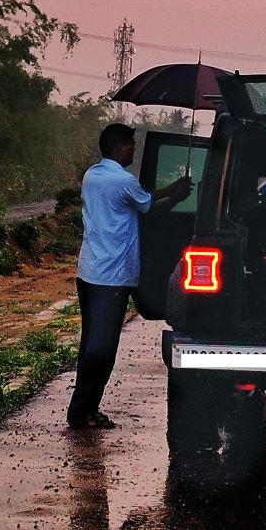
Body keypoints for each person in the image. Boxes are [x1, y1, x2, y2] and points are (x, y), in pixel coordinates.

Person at [66, 123, 191, 430]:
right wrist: (176, 194)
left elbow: (142, 198)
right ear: (120, 147)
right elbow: (150, 206)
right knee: (102, 348)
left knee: (91, 343)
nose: (134, 150)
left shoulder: (92, 175)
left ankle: (83, 408)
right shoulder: (123, 181)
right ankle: (83, 411)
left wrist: (169, 191)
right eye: (132, 145)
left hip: (89, 272)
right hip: (112, 276)